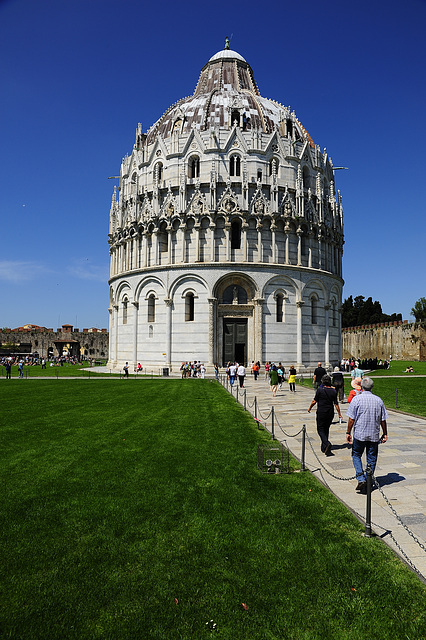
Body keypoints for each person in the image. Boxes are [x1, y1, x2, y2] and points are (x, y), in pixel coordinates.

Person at [345, 377, 388, 494]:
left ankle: (361, 478)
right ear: (372, 387)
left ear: (361, 387)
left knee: (356, 455)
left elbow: (351, 419)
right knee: (372, 457)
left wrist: (348, 432)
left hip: (360, 434)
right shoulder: (378, 400)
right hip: (373, 434)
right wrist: (385, 433)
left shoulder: (356, 400)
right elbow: (383, 420)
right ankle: (368, 481)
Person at [308, 374, 342, 456]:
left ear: (322, 381)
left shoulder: (320, 390)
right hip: (330, 412)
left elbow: (314, 401)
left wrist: (310, 408)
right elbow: (336, 404)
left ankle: (326, 443)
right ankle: (324, 447)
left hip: (321, 412)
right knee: (326, 429)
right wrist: (339, 414)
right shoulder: (333, 391)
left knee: (320, 429)